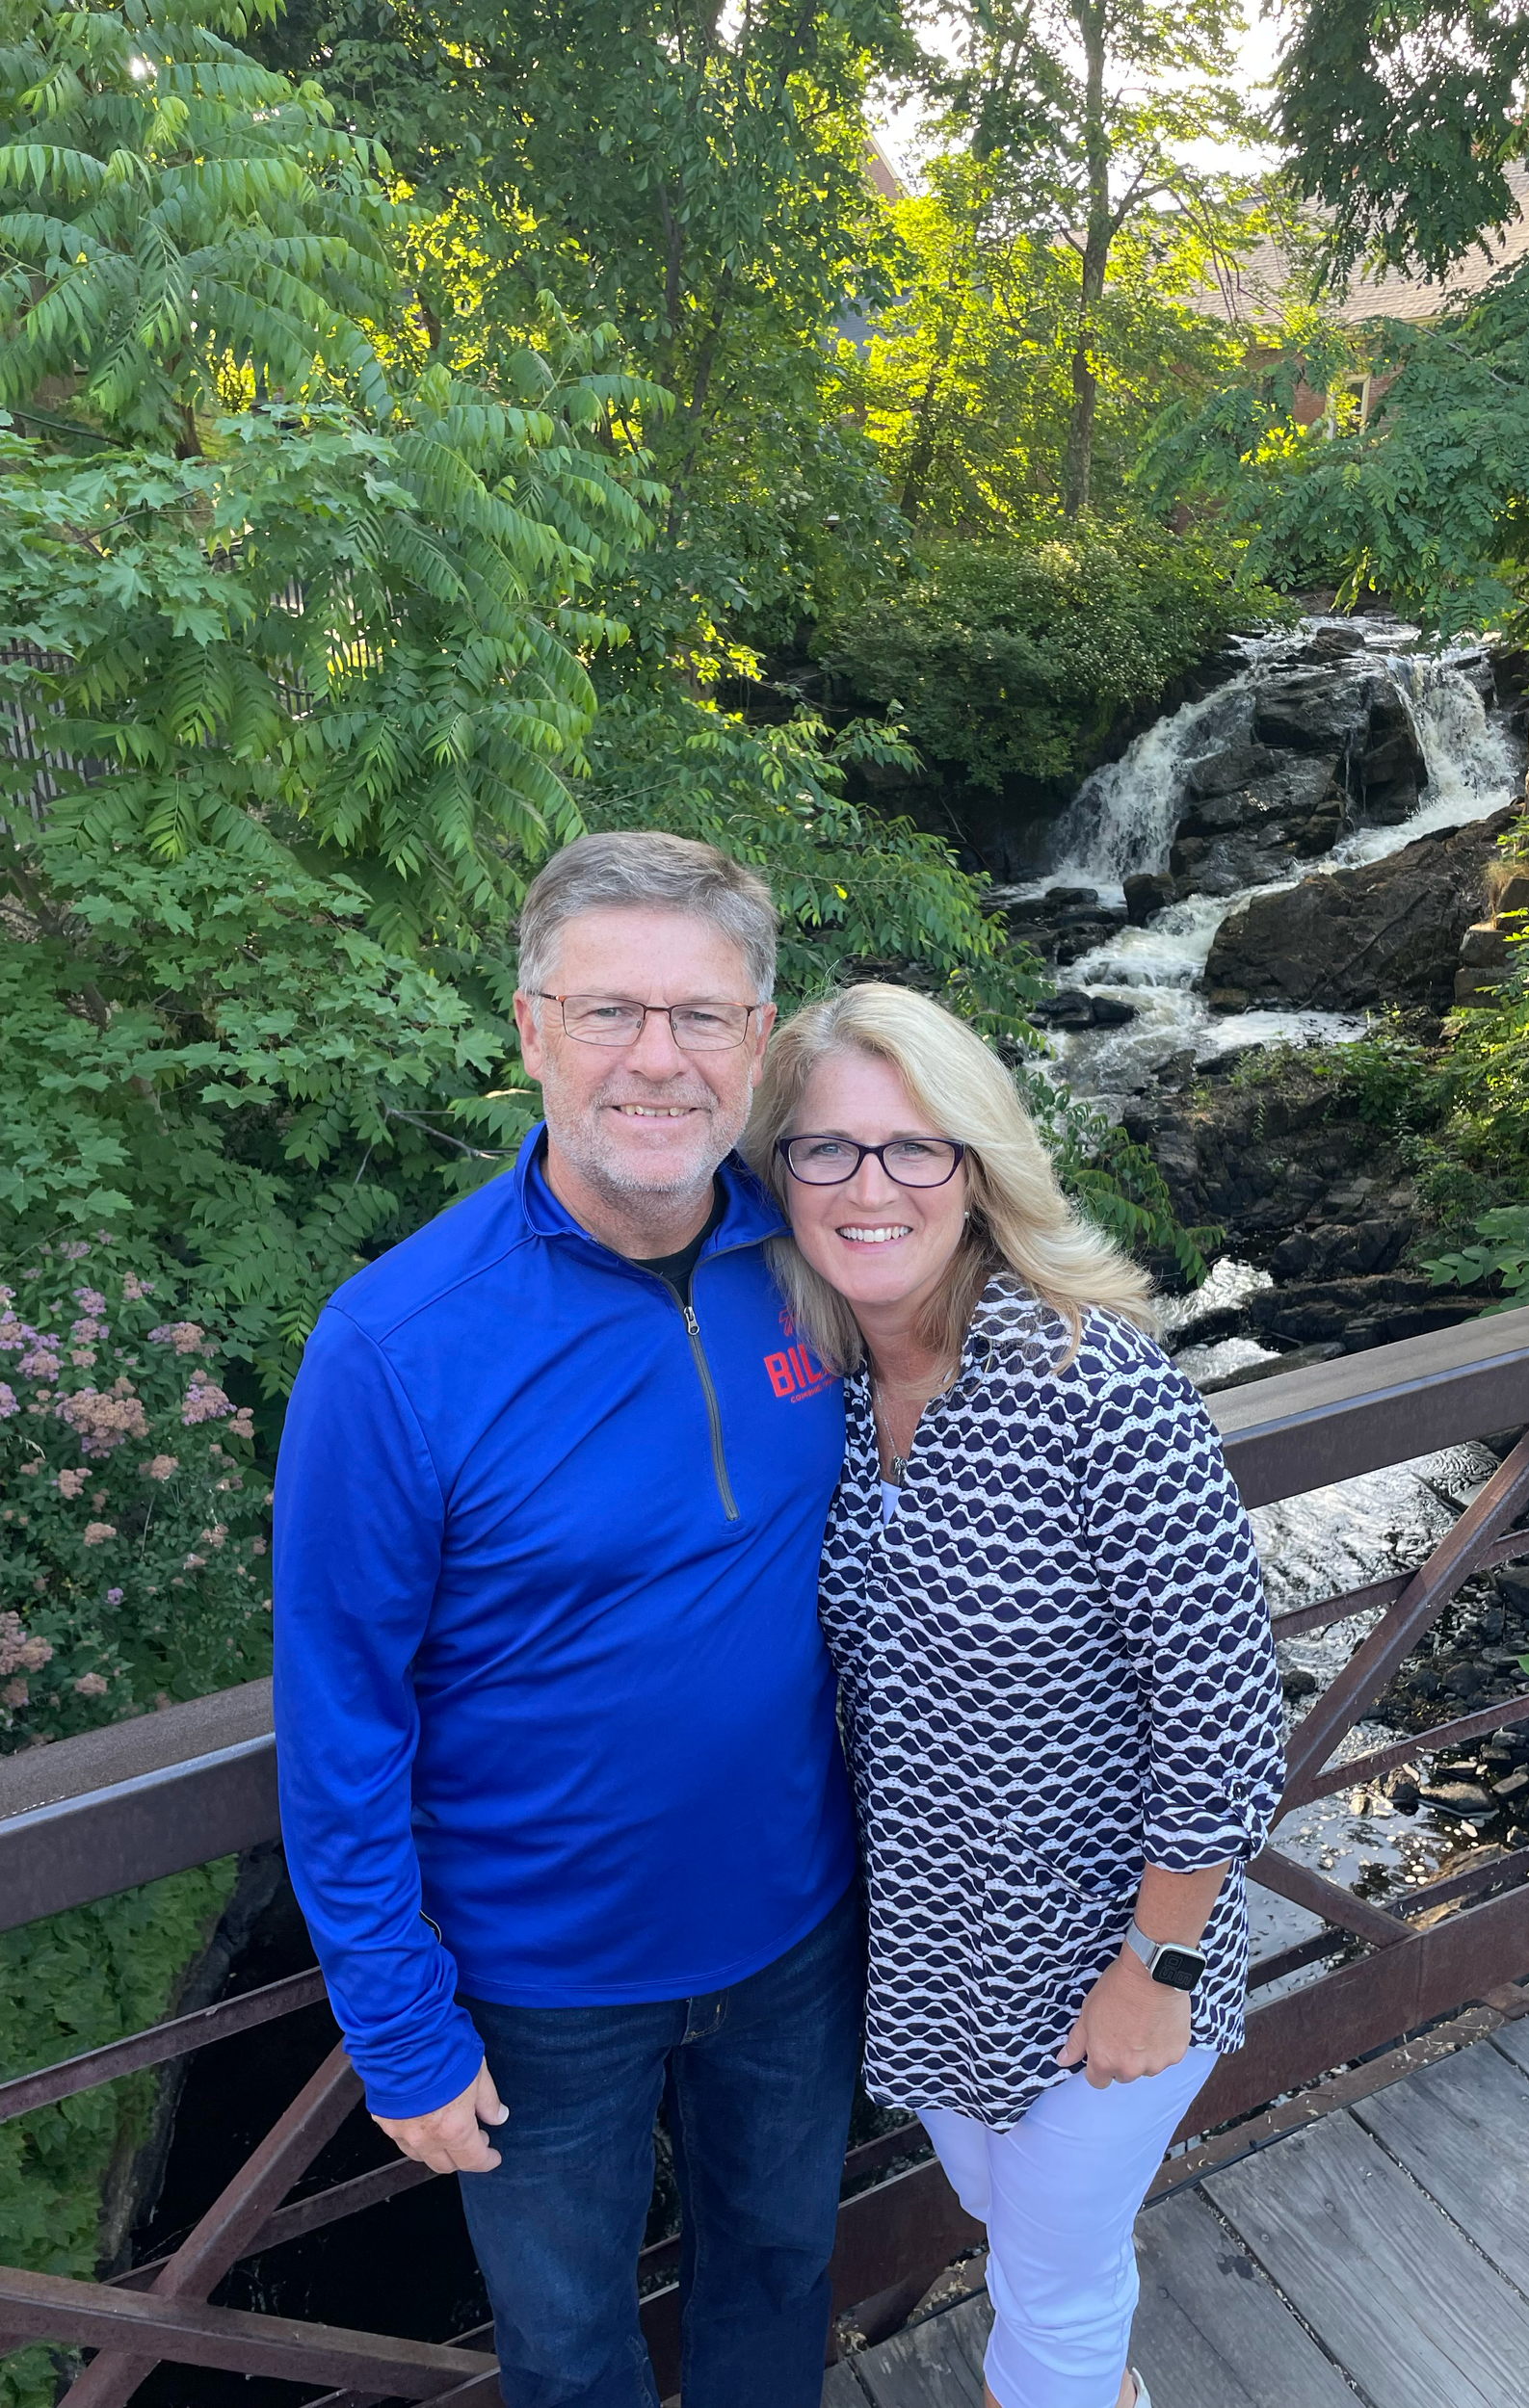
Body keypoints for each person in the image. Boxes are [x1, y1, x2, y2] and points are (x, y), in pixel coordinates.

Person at [273, 831, 863, 2408]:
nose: (655, 1060)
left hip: (798, 1932)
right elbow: (340, 1716)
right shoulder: (397, 1343)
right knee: (568, 2349)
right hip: (536, 1982)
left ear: (759, 1041)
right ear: (530, 1027)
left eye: (701, 1016)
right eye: (607, 1012)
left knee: (780, 2276)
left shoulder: (828, 1256)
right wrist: (397, 2025)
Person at [743, 982, 1286, 2408]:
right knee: (1017, 2226)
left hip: (1108, 1948)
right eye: (827, 1150)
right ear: (781, 1178)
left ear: (978, 1171)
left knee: (1048, 2284)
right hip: (934, 1947)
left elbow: (1226, 1713)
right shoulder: (831, 1390)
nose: (871, 1186)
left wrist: (1153, 1972)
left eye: (914, 1147)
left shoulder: (1093, 1385)